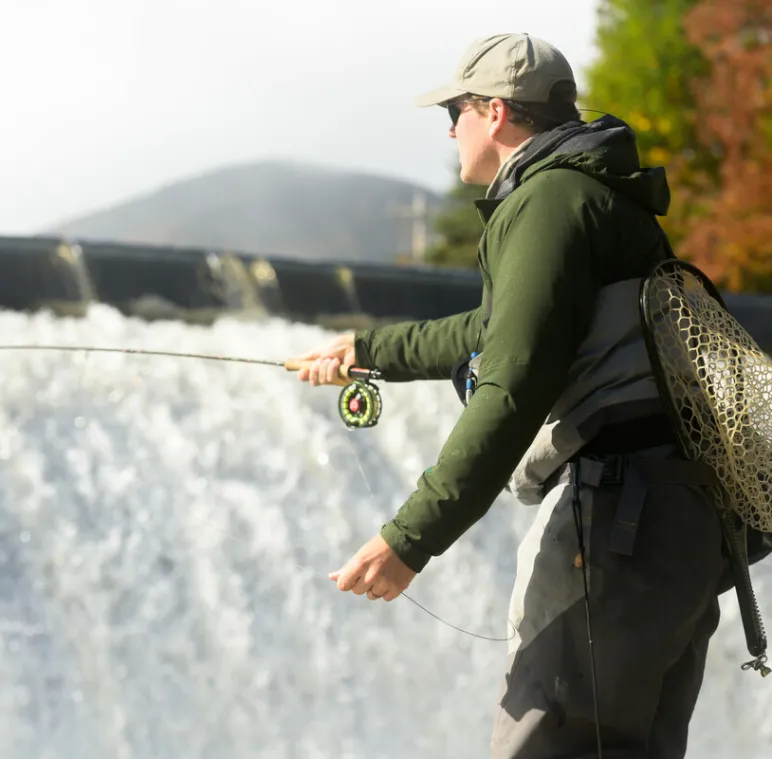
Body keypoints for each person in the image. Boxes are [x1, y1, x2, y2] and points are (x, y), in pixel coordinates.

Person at [295, 33, 730, 759]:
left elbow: (513, 380)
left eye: (456, 111)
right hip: (675, 518)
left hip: (618, 516)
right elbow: (503, 328)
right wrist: (366, 350)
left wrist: (411, 538)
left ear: (495, 113)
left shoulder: (548, 200)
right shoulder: (592, 195)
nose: (449, 130)